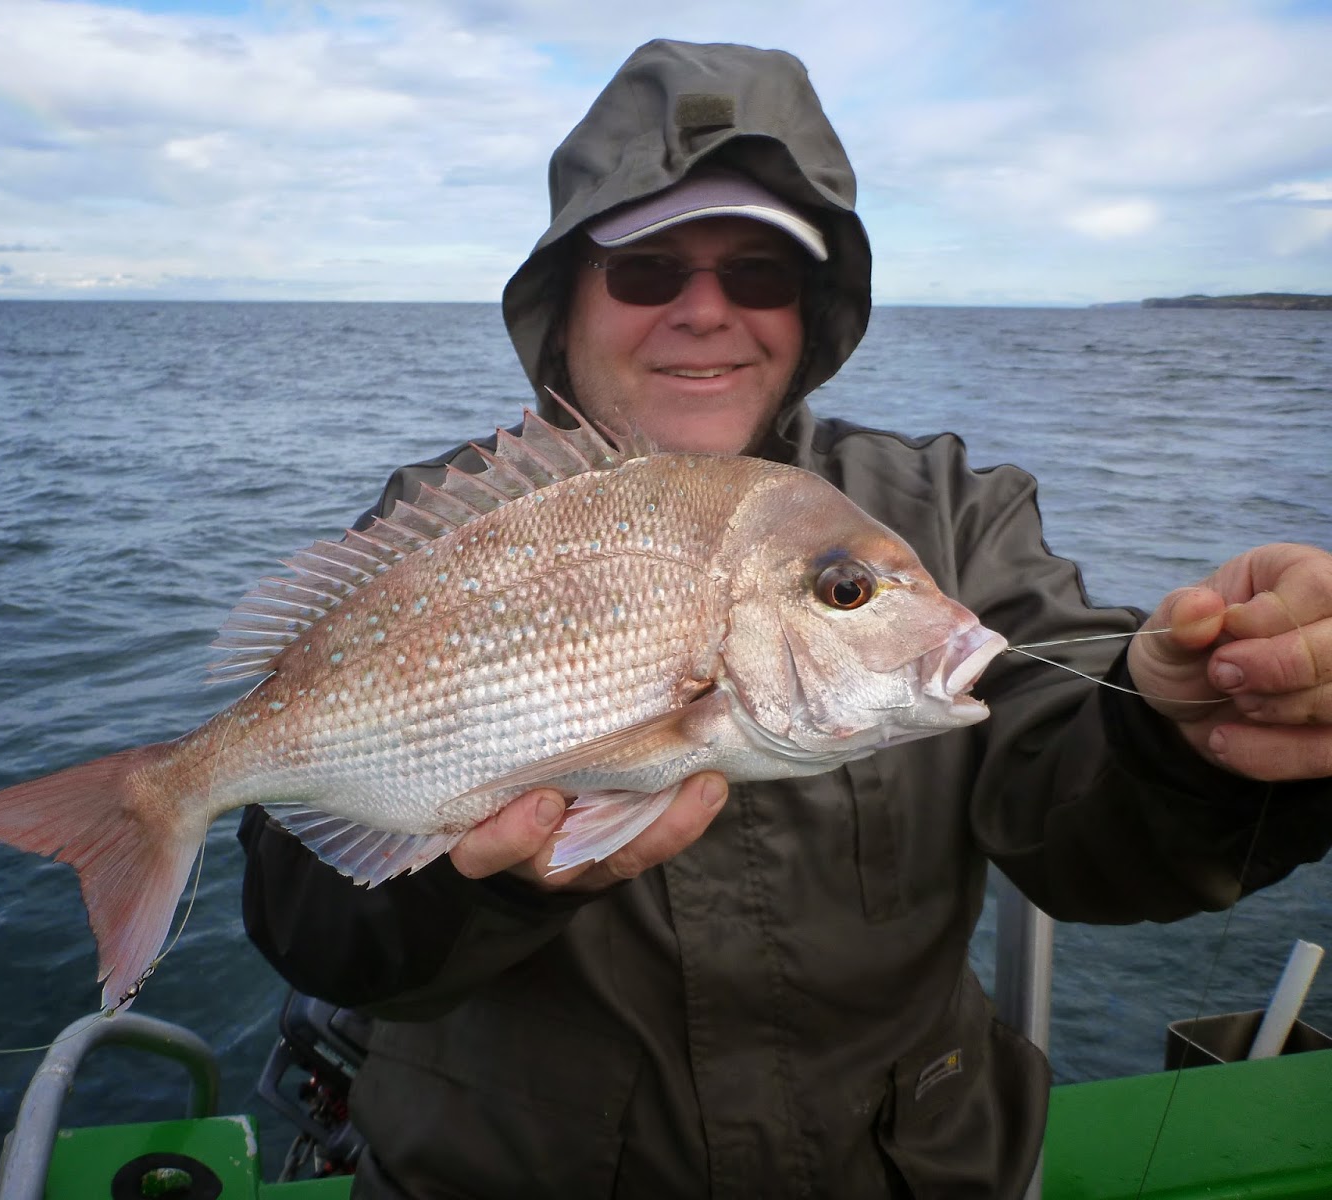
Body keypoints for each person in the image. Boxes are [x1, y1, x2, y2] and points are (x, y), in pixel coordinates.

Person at [239, 39, 1332, 1198]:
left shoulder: (943, 518)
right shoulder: (434, 530)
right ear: (565, 301)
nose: (705, 312)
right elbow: (313, 931)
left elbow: (1077, 808)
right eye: (649, 268)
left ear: (812, 312)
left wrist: (1194, 737)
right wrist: (491, 880)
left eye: (759, 273)